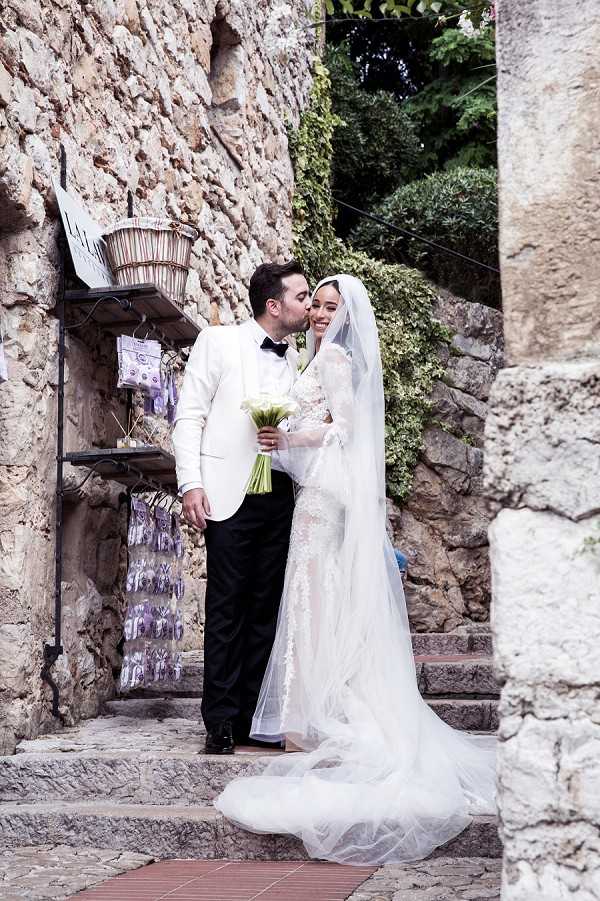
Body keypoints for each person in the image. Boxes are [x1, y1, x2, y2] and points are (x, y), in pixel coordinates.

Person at [214, 274, 496, 865]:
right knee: (317, 598)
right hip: (312, 492)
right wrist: (283, 443)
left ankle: (314, 716)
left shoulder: (336, 360)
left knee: (316, 598)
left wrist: (289, 434)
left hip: (325, 499)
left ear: (345, 315)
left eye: (328, 306)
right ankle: (311, 712)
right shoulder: (314, 358)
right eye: (313, 304)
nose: (318, 314)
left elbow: (343, 430)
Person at [172, 260, 311, 754]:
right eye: (301, 296)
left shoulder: (299, 360)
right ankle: (221, 721)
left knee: (265, 608)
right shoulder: (218, 341)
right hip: (229, 492)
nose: (309, 305)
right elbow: (189, 415)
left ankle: (255, 716)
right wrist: (190, 483)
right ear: (274, 305)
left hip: (279, 493)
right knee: (227, 606)